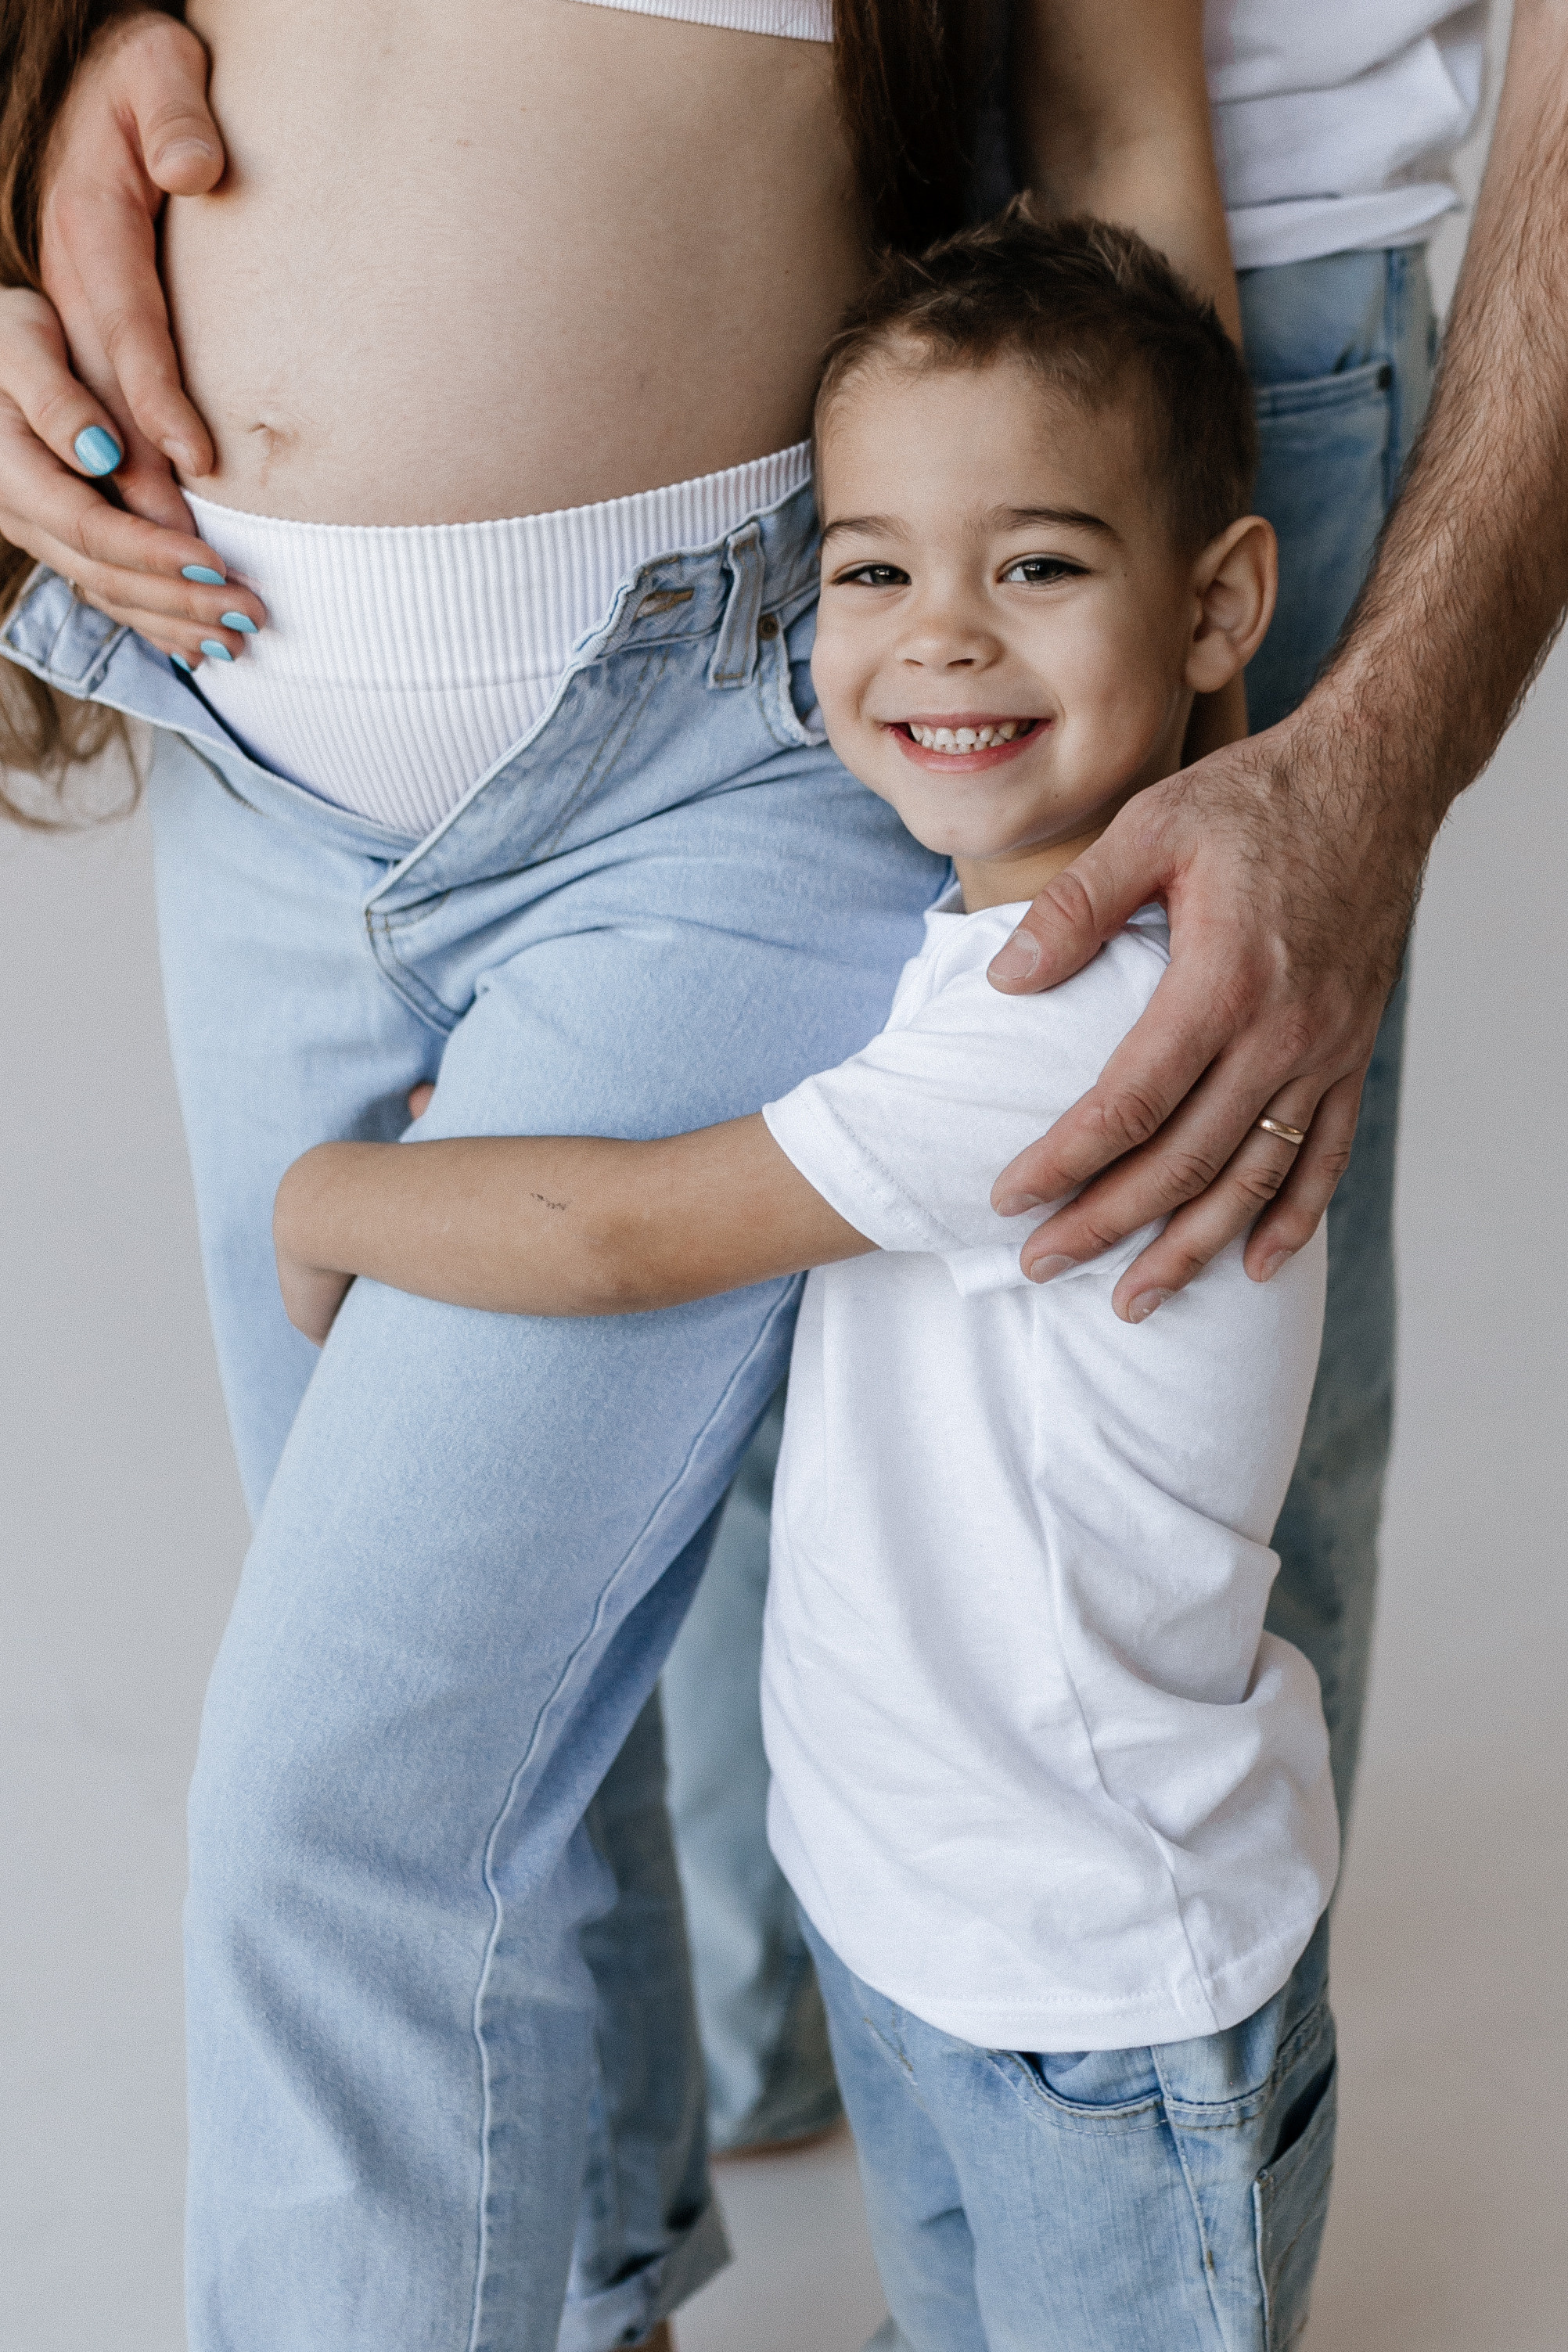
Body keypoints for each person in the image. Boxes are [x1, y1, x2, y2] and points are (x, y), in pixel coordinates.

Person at [0, 5, 1250, 2346]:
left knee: (338, 1802)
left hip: (700, 771)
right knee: (476, 1730)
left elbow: (1108, 142)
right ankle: (584, 2301)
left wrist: (1199, 819)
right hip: (241, 774)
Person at [270, 212, 1343, 2352]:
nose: (939, 635)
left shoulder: (1086, 1009)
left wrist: (330, 1200)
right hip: (920, 1922)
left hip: (1095, 1998)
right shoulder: (957, 942)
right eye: (871, 567)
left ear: (1218, 600)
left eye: (1032, 566)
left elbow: (627, 1234)